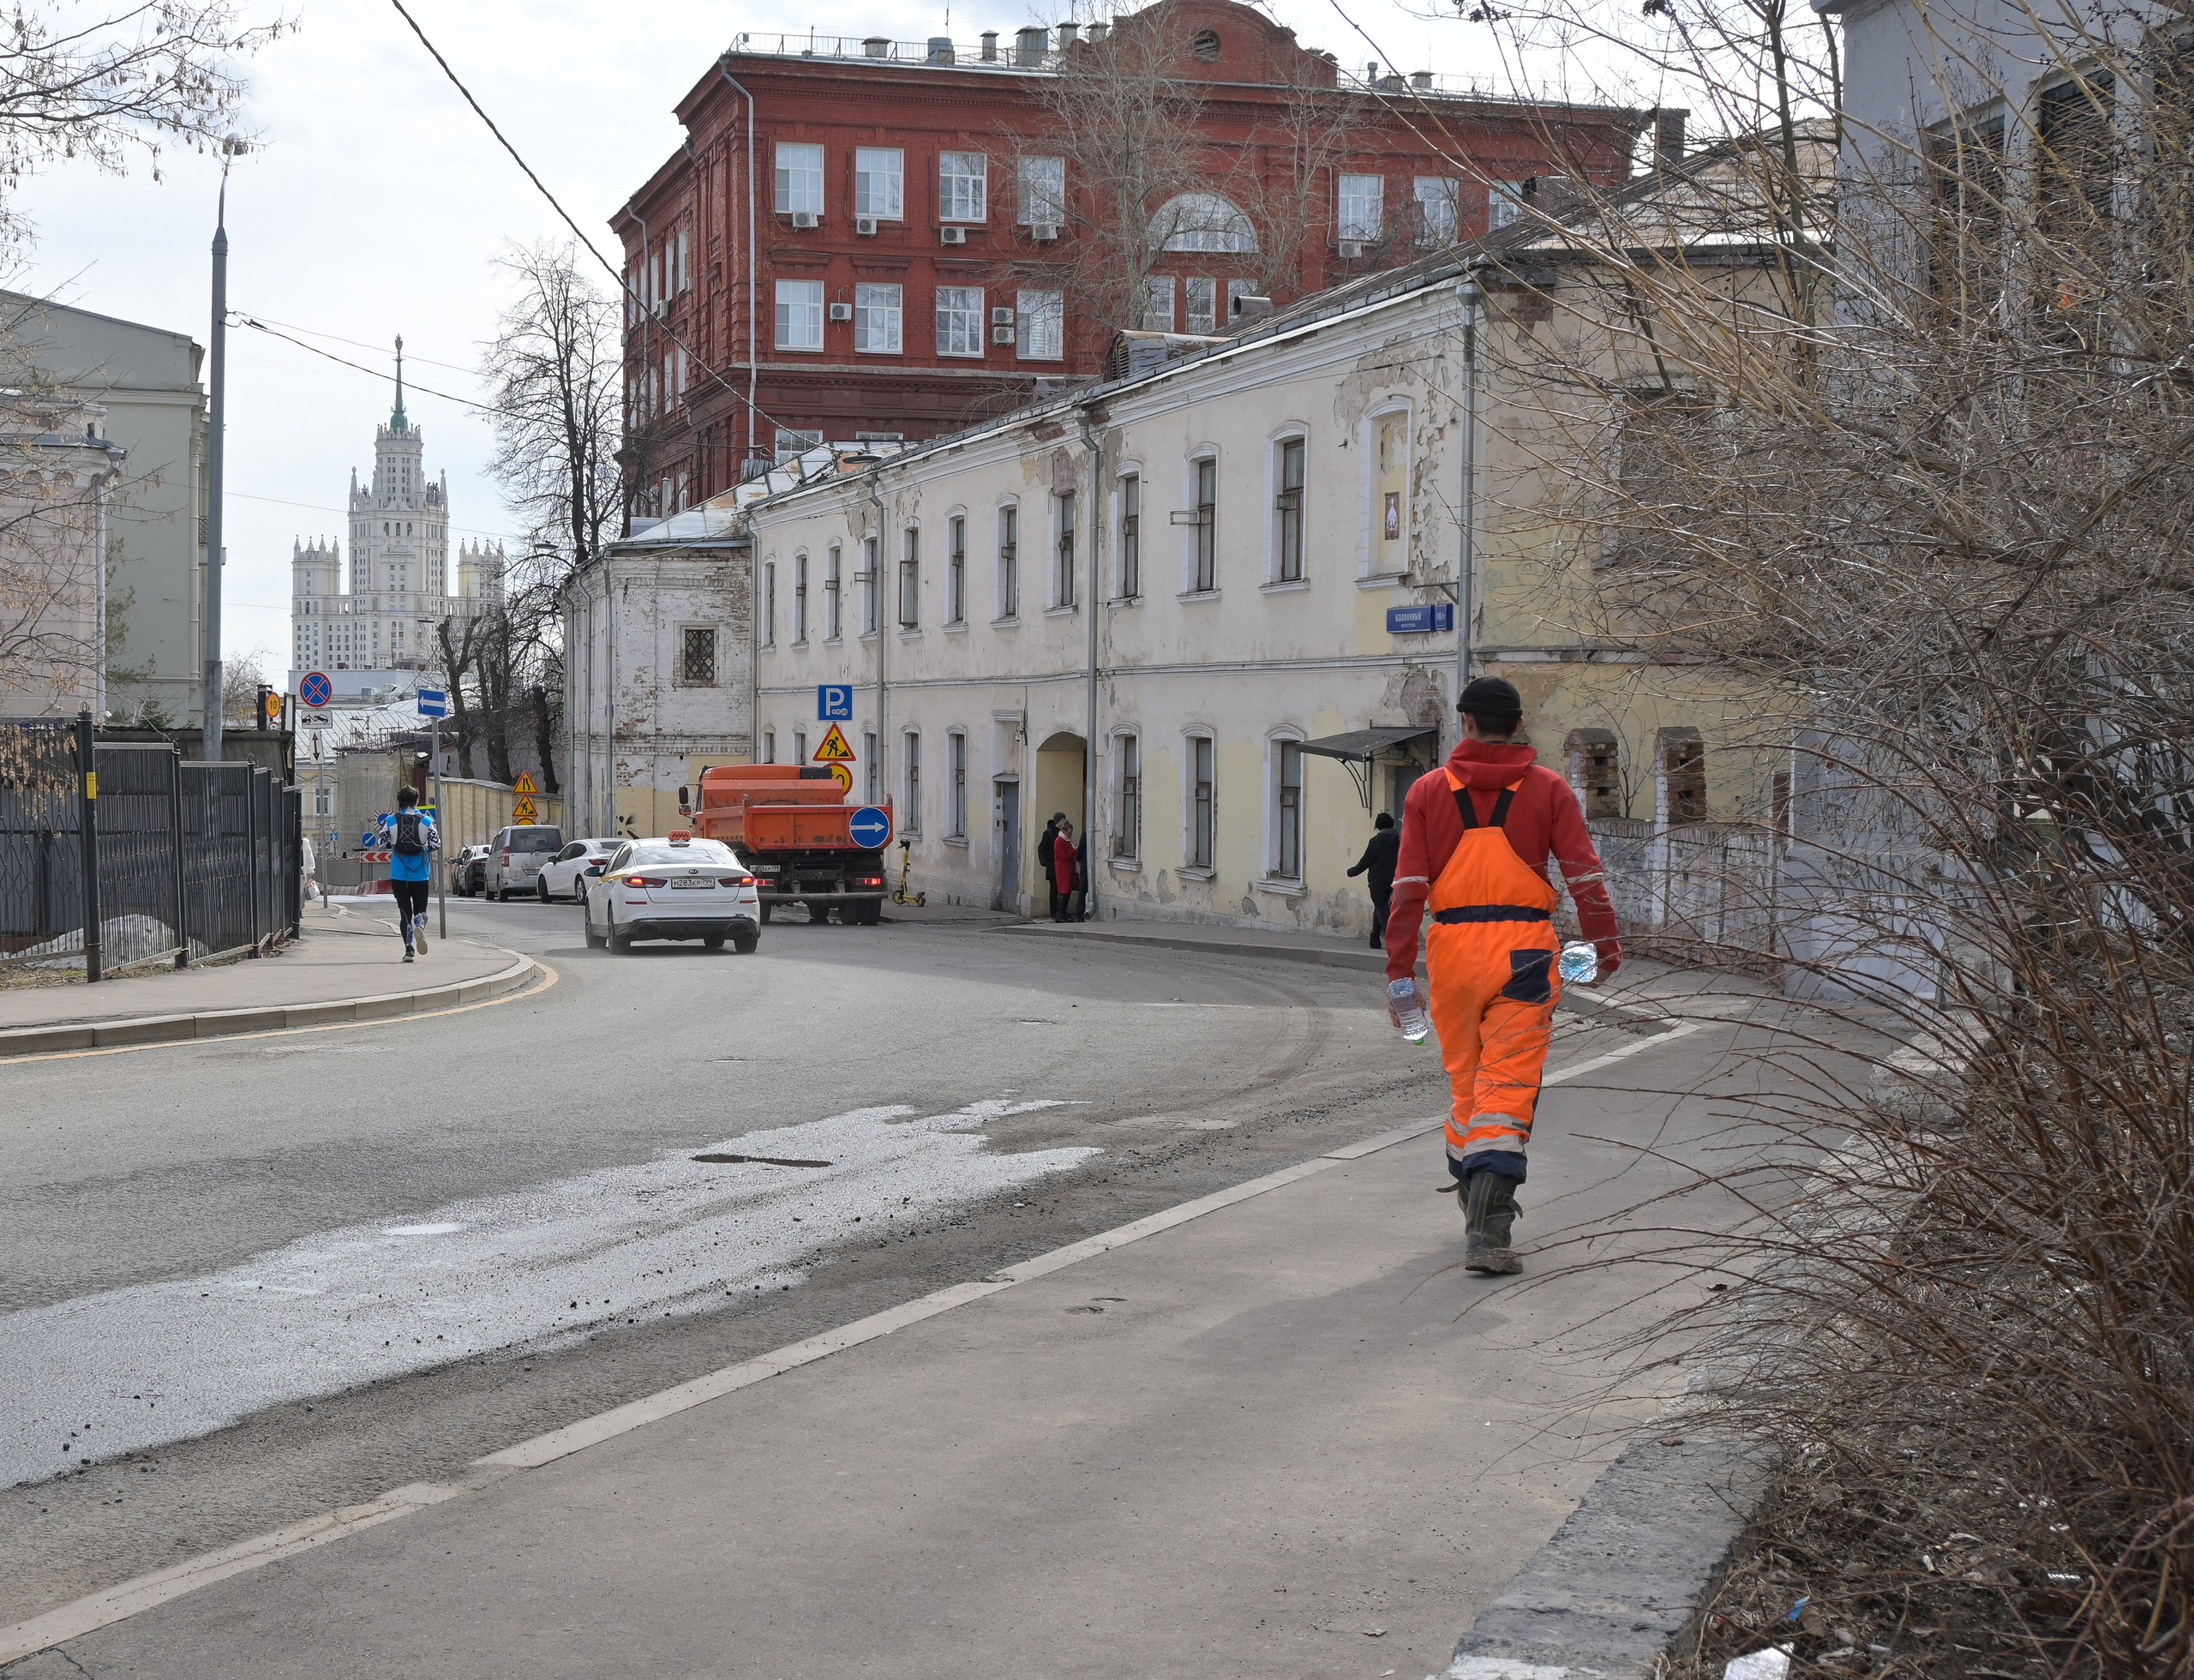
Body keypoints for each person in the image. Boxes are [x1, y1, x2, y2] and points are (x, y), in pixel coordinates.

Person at [1385, 677, 1622, 1275]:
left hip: (1452, 953)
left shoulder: (1427, 793)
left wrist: (1399, 976)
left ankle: (1473, 1182)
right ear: (1518, 726)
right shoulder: (1548, 790)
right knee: (1508, 1083)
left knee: (1468, 1083)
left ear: (1464, 724)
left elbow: (1408, 892)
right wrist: (1605, 948)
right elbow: (1585, 877)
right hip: (1526, 953)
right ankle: (1489, 1226)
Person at [375, 788, 441, 963]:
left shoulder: (390, 820)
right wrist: (425, 848)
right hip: (421, 874)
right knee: (422, 910)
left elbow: (381, 843)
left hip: (399, 873)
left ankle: (409, 950)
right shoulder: (426, 820)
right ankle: (419, 924)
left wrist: (393, 844)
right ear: (417, 800)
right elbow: (436, 843)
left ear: (399, 801)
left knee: (404, 913)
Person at [1346, 812, 1402, 948]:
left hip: (1377, 880)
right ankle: (1375, 939)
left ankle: (1392, 937)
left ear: (1378, 826)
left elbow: (1366, 861)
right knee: (1380, 906)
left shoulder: (1376, 841)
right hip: (1392, 879)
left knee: (1381, 906)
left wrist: (1352, 871)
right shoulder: (1398, 841)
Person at [1052, 818, 1079, 922]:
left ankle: (1063, 913)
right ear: (1064, 831)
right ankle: (1060, 914)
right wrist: (1074, 850)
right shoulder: (1059, 841)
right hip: (1063, 869)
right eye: (1069, 832)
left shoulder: (1066, 840)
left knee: (1067, 891)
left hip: (1068, 868)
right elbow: (1064, 856)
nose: (1071, 834)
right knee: (1063, 891)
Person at [1038, 813, 1062, 919]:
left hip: (1061, 866)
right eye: (1063, 819)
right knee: (1054, 889)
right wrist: (1052, 857)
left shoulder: (1062, 832)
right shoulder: (1049, 833)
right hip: (1052, 866)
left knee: (1061, 889)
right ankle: (1053, 912)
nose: (1064, 821)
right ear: (1058, 821)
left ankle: (1060, 911)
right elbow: (1042, 848)